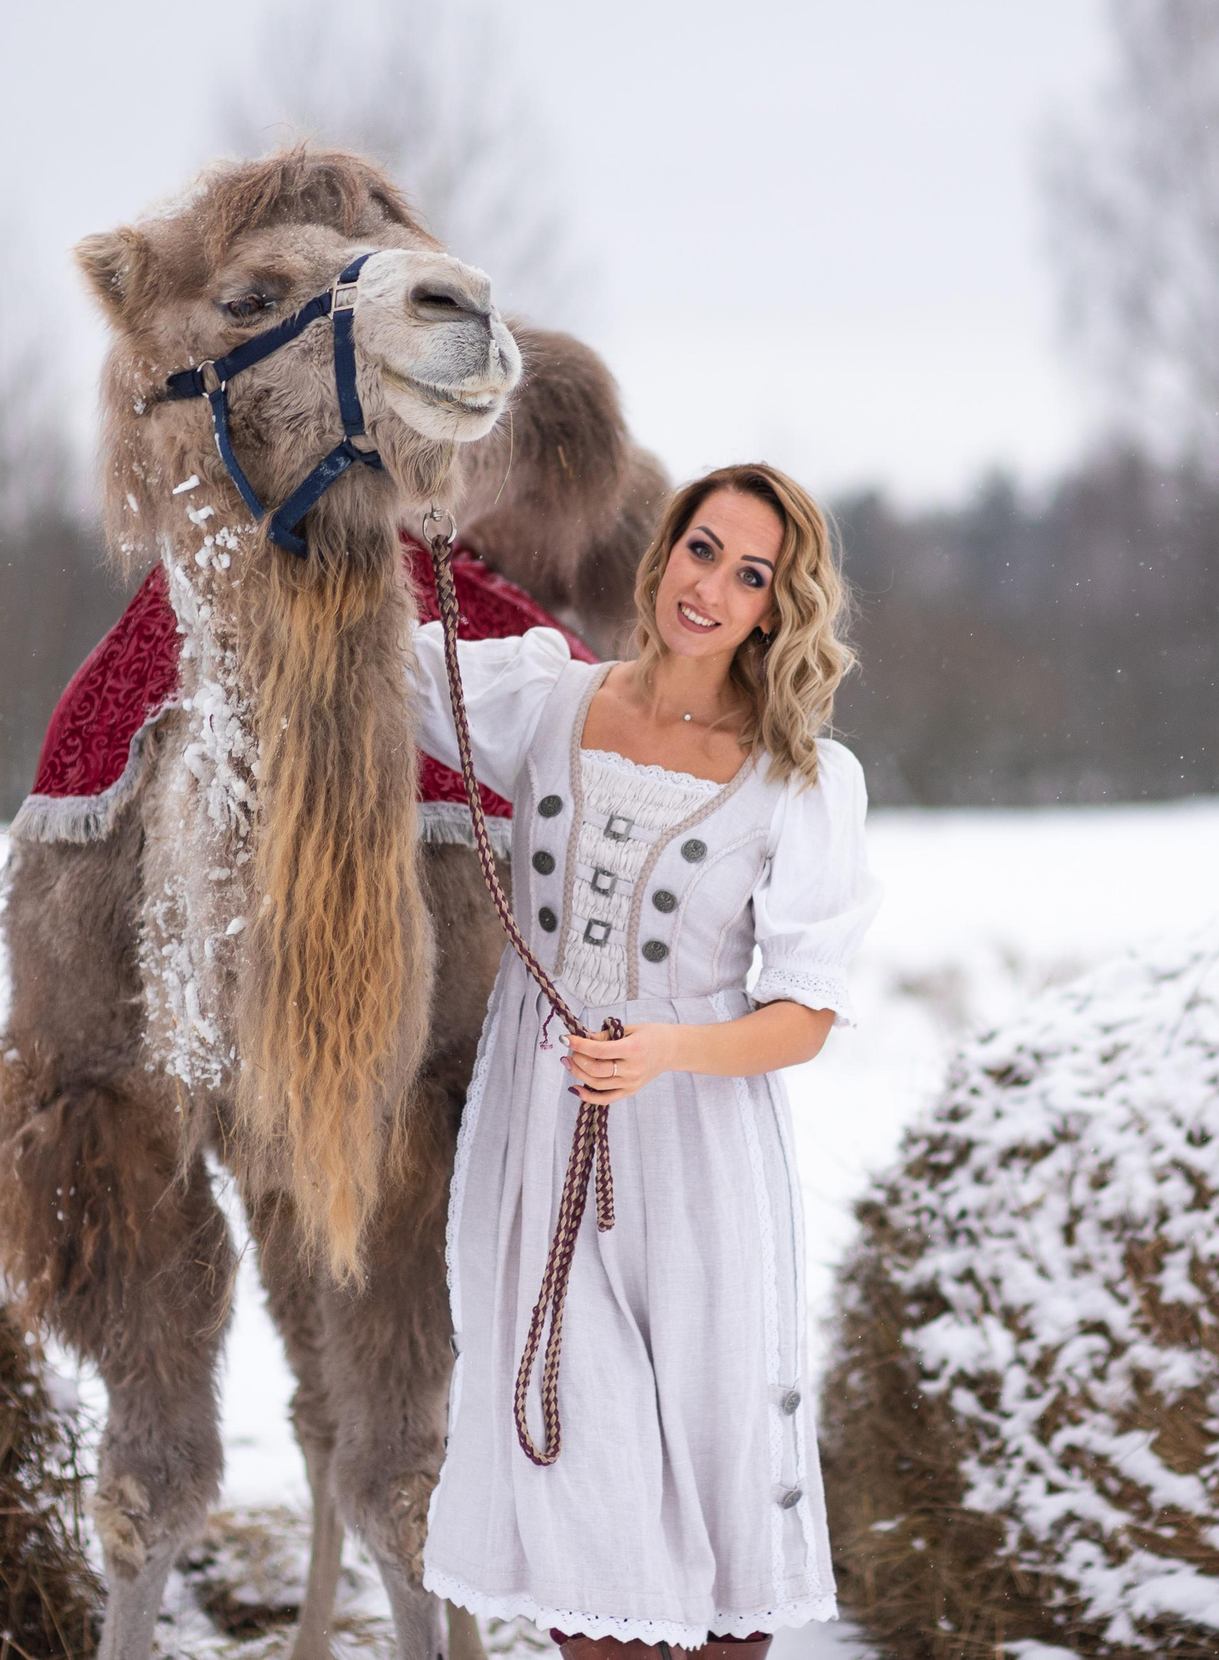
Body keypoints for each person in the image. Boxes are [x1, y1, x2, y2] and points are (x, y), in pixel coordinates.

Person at [412, 463, 881, 1659]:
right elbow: (359, 665)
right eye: (701, 549)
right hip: (540, 1142)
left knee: (720, 1535)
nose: (709, 588)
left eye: (750, 575)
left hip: (696, 1160)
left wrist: (666, 1047)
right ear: (664, 550)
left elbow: (805, 1014)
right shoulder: (542, 698)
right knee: (579, 1474)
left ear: (774, 609)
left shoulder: (800, 779)